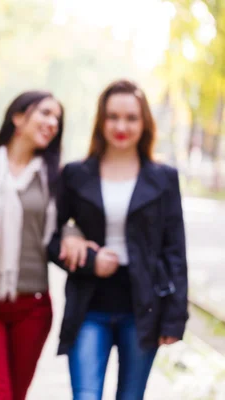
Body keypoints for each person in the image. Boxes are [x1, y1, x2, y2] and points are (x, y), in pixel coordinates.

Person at [48, 79, 188, 400]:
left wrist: (174, 319)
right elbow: (50, 237)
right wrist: (86, 257)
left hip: (144, 309)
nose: (121, 126)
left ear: (145, 123)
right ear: (101, 121)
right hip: (88, 306)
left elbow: (175, 250)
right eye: (112, 117)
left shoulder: (164, 178)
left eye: (131, 118)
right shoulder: (75, 174)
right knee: (85, 396)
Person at [0, 91, 85, 399]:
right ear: (18, 117)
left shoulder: (56, 178)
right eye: (45, 113)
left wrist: (73, 233)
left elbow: (69, 223)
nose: (52, 123)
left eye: (57, 119)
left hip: (33, 307)